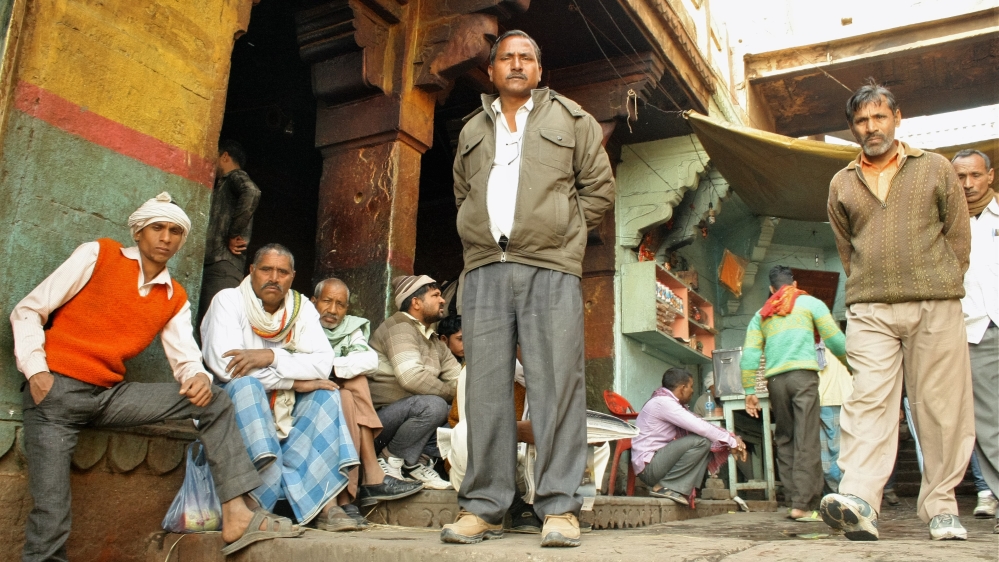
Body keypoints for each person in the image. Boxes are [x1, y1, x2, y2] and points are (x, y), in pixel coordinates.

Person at [10, 193, 302, 561]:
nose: (166, 238)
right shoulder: (99, 255)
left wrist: (197, 376)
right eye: (157, 228)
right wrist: (38, 373)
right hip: (56, 393)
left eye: (175, 231)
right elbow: (28, 311)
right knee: (51, 515)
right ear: (139, 232)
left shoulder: (173, 296)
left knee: (214, 398)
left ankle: (236, 513)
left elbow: (186, 357)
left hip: (108, 397)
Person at [441, 29, 614, 548]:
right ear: (492, 69)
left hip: (550, 266)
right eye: (506, 58)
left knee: (556, 386)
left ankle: (559, 507)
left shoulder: (573, 119)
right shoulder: (471, 128)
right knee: (485, 390)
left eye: (526, 58)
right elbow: (462, 193)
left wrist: (563, 234)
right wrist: (475, 234)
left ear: (538, 70)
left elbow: (598, 188)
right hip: (485, 270)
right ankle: (485, 507)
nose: (516, 65)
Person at [822, 81, 973, 541]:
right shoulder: (842, 182)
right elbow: (847, 249)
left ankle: (942, 506)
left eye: (879, 117)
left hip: (935, 303)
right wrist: (873, 286)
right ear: (853, 128)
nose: (871, 127)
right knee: (867, 401)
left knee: (941, 407)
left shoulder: (936, 167)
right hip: (871, 308)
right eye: (861, 121)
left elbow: (958, 235)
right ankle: (860, 501)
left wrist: (942, 280)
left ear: (896, 118)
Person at [201, 244, 361, 532]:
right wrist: (293, 381)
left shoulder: (302, 309)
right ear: (252, 270)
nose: (274, 278)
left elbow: (322, 364)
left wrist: (270, 356)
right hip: (236, 403)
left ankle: (325, 506)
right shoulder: (228, 301)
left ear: (292, 277)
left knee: (325, 394)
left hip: (286, 403)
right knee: (247, 386)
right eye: (266, 270)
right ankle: (254, 507)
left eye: (282, 272)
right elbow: (228, 368)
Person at [740, 266, 849, 521]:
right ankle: (804, 504)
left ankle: (792, 501)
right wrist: (852, 367)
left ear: (771, 289)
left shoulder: (761, 314)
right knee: (807, 438)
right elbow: (835, 340)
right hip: (803, 378)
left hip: (776, 382)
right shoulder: (811, 304)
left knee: (785, 438)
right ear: (795, 284)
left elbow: (751, 354)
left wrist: (749, 390)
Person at [311, 277, 423, 518]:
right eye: (327, 301)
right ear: (313, 302)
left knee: (349, 395)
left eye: (340, 304)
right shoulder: (303, 325)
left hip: (338, 393)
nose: (333, 310)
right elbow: (301, 363)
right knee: (354, 384)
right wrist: (333, 369)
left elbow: (369, 361)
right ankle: (362, 483)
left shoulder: (350, 327)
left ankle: (349, 494)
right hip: (306, 391)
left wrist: (332, 369)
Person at [368, 275, 460, 491]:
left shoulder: (434, 340)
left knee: (466, 415)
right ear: (416, 302)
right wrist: (451, 395)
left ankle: (416, 461)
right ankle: (389, 459)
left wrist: (461, 398)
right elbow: (411, 377)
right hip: (381, 423)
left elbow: (459, 381)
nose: (443, 300)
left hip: (411, 420)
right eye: (435, 295)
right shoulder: (399, 327)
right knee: (435, 405)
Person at [952, 149, 998, 533]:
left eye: (975, 175)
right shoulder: (944, 226)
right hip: (976, 332)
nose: (968, 184)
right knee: (988, 425)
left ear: (990, 176)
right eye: (960, 177)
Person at [632, 368, 747, 506]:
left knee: (706, 443)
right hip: (649, 468)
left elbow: (700, 424)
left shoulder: (667, 402)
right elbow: (700, 426)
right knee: (701, 442)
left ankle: (677, 488)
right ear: (682, 388)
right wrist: (731, 441)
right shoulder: (663, 403)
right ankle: (664, 487)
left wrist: (730, 439)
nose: (692, 391)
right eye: (691, 386)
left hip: (656, 464)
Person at [199, 139, 261, 321]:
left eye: (215, 156)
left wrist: (233, 234)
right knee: (206, 322)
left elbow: (252, 192)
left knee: (215, 323)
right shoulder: (223, 183)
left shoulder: (235, 176)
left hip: (223, 264)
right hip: (218, 264)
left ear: (225, 156)